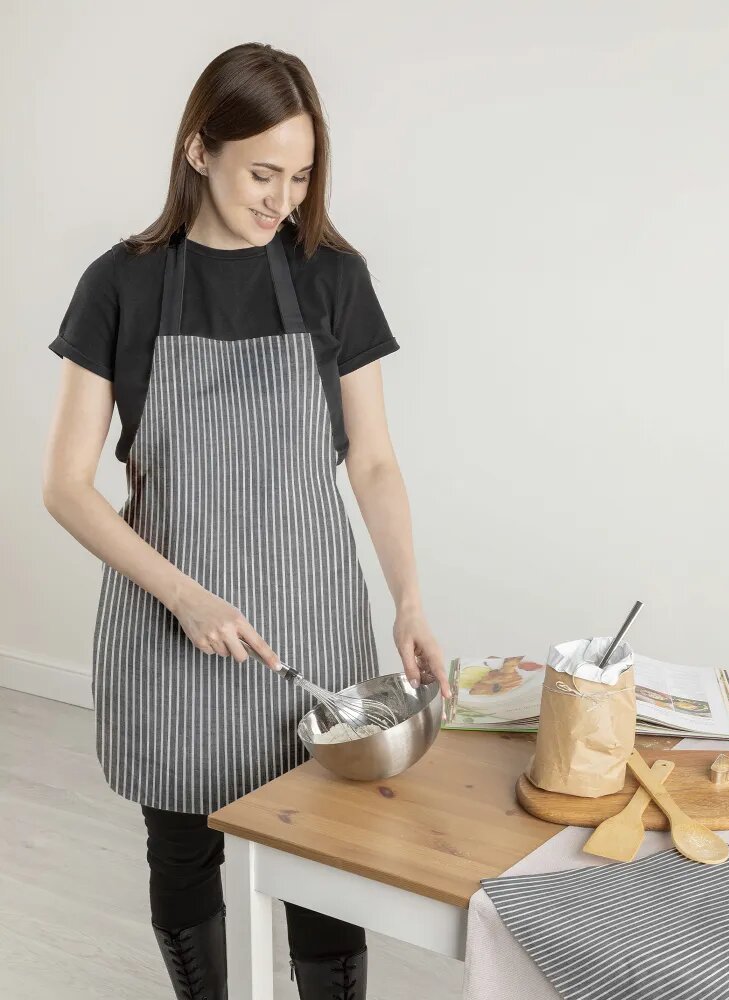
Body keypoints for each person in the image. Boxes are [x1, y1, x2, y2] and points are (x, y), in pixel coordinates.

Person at [42, 41, 451, 1000]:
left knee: (325, 860)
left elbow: (373, 460)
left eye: (300, 176)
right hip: (168, 628)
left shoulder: (331, 275)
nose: (282, 199)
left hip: (311, 623)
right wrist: (184, 596)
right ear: (199, 150)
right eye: (263, 172)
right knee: (183, 852)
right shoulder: (121, 283)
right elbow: (65, 485)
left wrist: (409, 599)